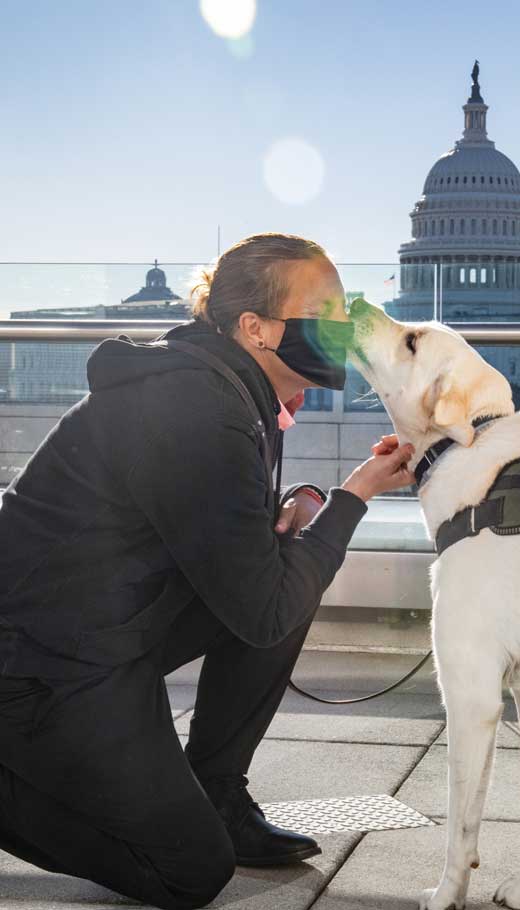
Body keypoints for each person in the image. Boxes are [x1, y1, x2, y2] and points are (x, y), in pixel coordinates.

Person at [0, 233, 415, 909]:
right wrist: (354, 496)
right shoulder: (196, 405)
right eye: (326, 311)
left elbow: (228, 547)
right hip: (36, 663)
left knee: (284, 567)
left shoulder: (233, 389)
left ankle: (218, 793)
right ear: (255, 328)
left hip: (103, 627)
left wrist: (291, 513)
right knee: (188, 871)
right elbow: (263, 610)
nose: (343, 327)